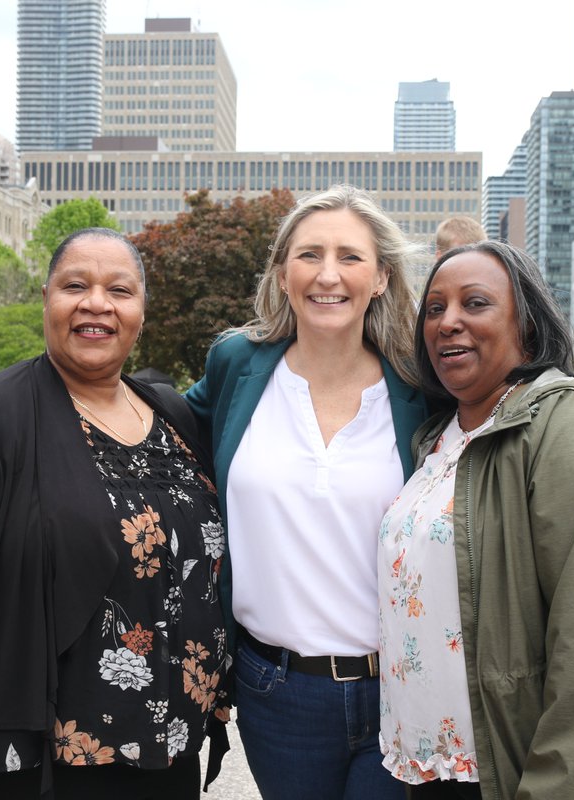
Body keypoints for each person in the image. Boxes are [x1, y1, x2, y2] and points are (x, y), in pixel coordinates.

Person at [0, 228, 228, 800]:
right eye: (75, 285)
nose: (97, 303)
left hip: (168, 754)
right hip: (40, 763)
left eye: (120, 290)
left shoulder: (171, 414)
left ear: (141, 310)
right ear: (46, 298)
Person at [378, 241, 574, 799]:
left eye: (476, 303)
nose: (448, 322)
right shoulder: (440, 439)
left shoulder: (572, 431)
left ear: (529, 325)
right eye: (435, 308)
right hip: (436, 767)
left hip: (516, 766)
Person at [186, 185, 427, 799]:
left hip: (400, 685)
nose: (328, 275)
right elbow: (153, 432)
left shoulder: (420, 388)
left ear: (380, 278)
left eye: (350, 256)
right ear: (282, 271)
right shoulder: (237, 365)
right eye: (309, 255)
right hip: (276, 690)